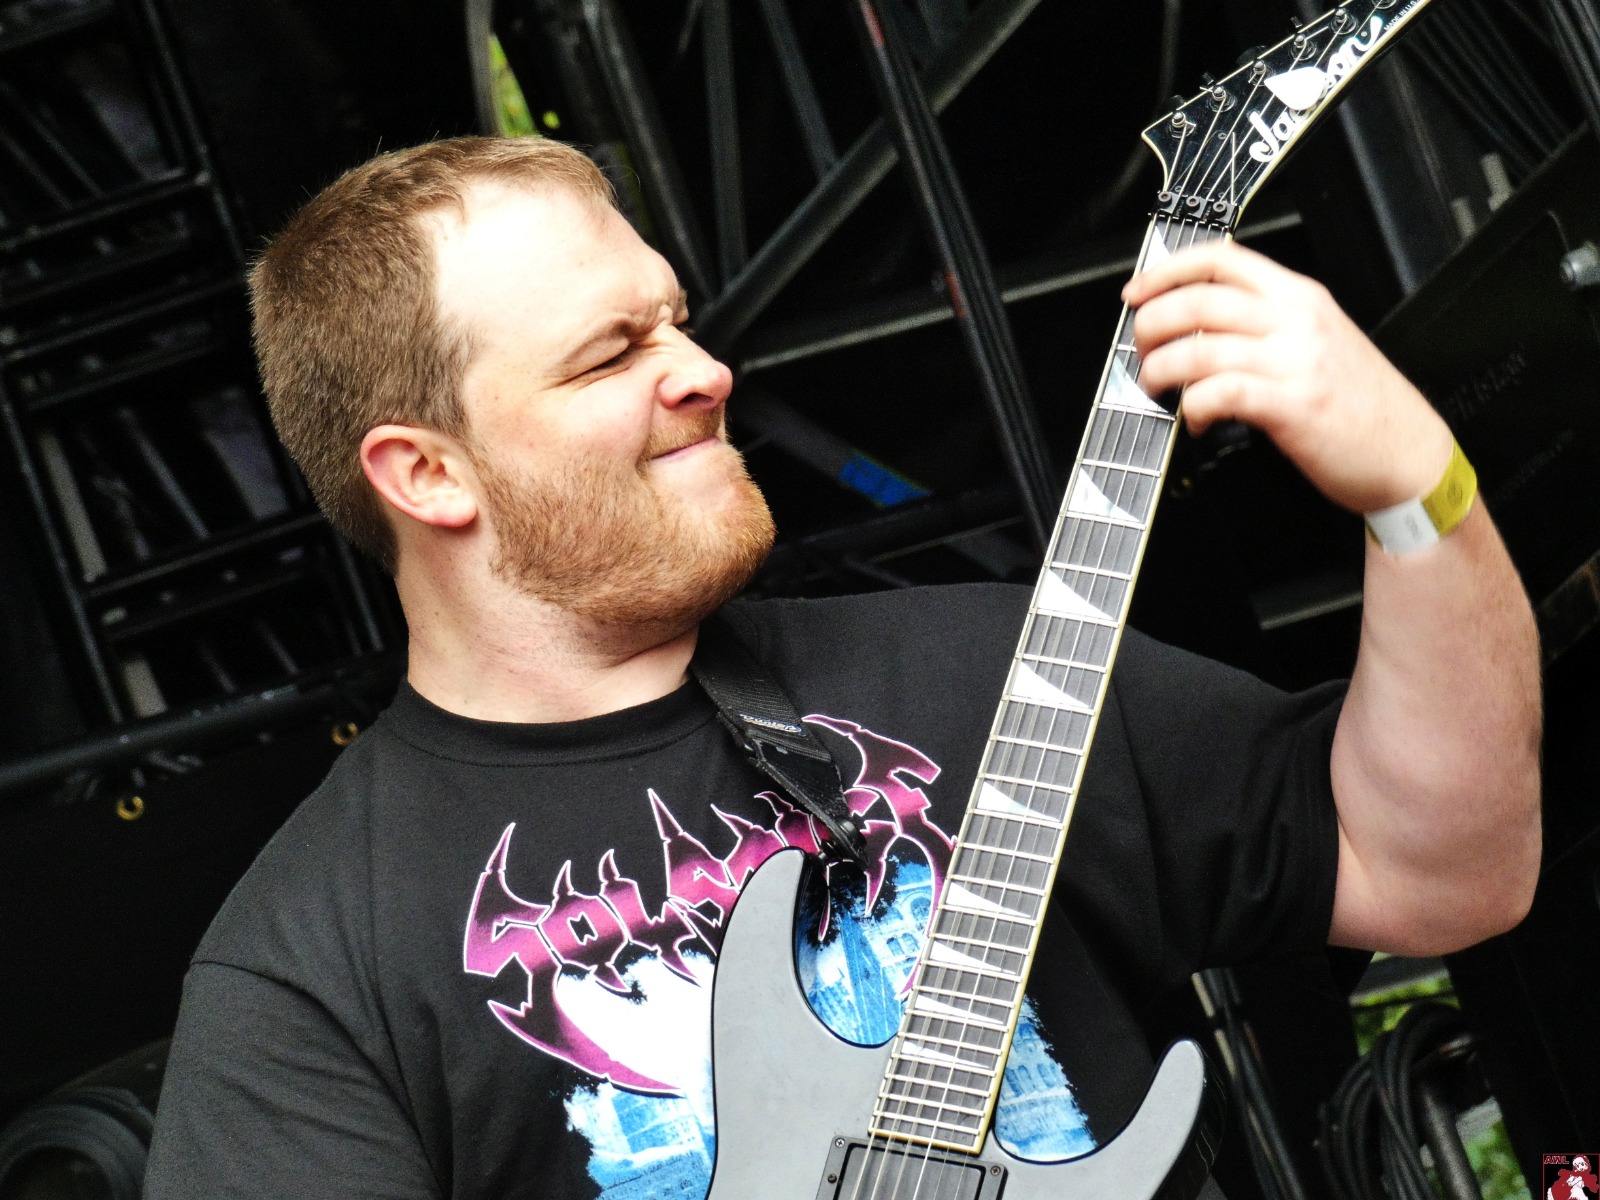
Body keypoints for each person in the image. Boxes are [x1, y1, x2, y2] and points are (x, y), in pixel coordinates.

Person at [143, 136, 1540, 1199]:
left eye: (674, 319)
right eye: (611, 354)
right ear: (427, 474)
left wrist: (1421, 496)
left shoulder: (991, 671)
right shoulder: (312, 969)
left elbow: (1442, 872)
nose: (702, 370)